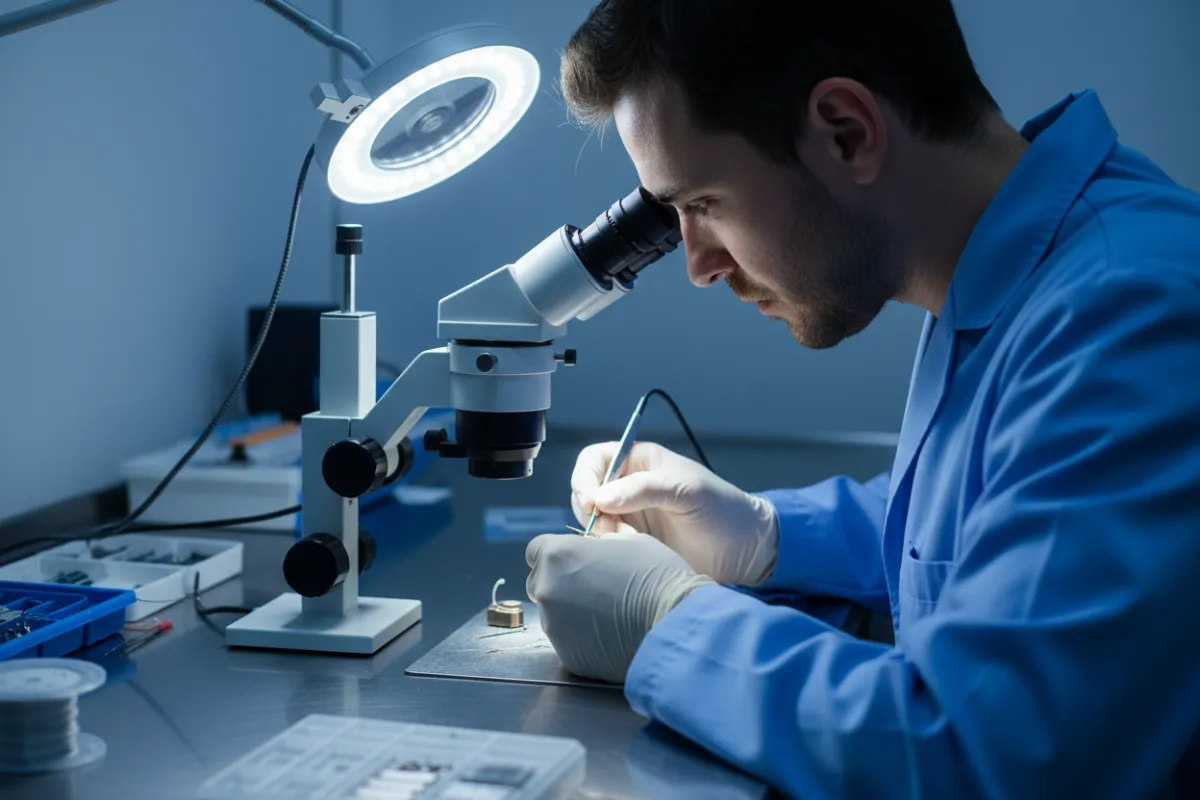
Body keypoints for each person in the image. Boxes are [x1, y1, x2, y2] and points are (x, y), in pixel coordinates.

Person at [522, 0, 1200, 796]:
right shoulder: (1026, 272)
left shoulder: (1131, 314)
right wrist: (768, 535)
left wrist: (668, 623)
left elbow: (984, 757)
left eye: (701, 204)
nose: (700, 266)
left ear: (846, 133)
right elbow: (1001, 517)